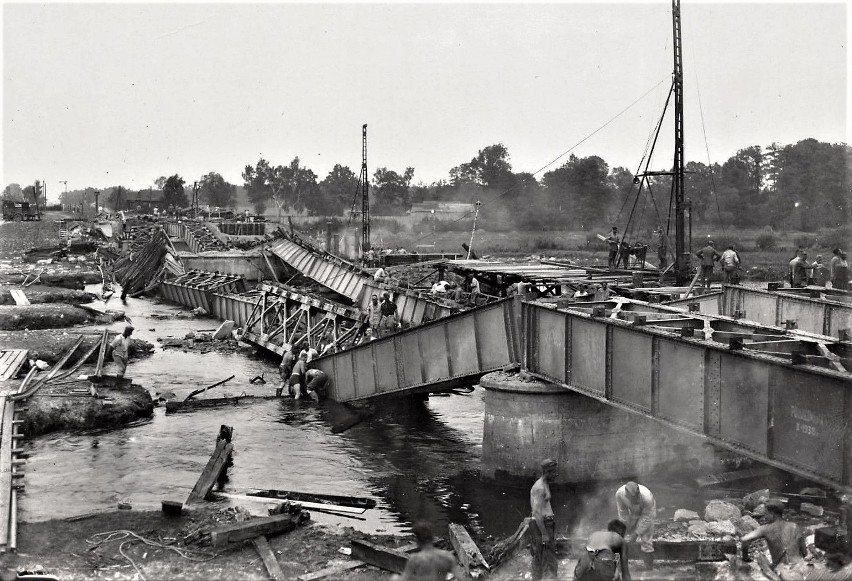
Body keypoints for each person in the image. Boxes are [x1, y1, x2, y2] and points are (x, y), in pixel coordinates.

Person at [740, 500, 806, 577]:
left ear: (773, 514)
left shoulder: (765, 528)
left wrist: (745, 557)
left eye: (766, 513)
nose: (764, 517)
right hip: (801, 571)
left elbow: (744, 540)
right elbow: (805, 552)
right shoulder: (795, 526)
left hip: (782, 572)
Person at [391, 521, 461, 581]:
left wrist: (395, 578)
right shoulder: (447, 556)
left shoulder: (415, 559)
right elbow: (460, 578)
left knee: (394, 578)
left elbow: (404, 579)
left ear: (418, 540)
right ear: (432, 538)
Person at [530, 458, 559, 580]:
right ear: (546, 472)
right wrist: (544, 534)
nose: (556, 474)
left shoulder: (546, 483)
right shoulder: (540, 488)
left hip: (547, 523)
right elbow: (536, 513)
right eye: (553, 472)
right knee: (548, 558)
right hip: (543, 525)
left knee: (542, 555)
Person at [615, 481, 656, 568]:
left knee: (646, 539)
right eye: (634, 498)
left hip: (647, 512)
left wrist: (636, 533)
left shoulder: (647, 497)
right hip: (633, 511)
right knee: (623, 536)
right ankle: (619, 565)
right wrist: (625, 527)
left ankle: (649, 569)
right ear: (626, 494)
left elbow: (647, 518)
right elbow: (623, 512)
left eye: (637, 496)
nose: (636, 499)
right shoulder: (620, 494)